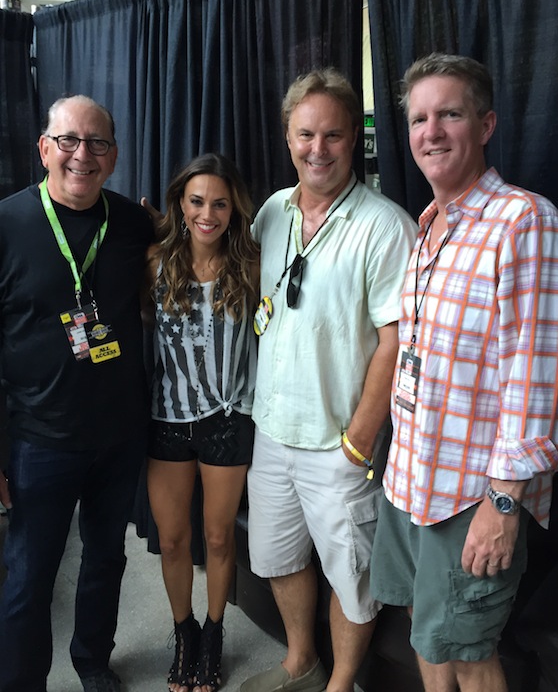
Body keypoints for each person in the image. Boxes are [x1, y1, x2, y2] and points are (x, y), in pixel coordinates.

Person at [370, 53, 558, 692]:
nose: (432, 131)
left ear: (484, 125)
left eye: (449, 114)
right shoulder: (429, 227)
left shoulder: (525, 223)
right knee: (424, 628)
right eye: (420, 117)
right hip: (410, 476)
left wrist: (504, 502)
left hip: (470, 494)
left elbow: (536, 372)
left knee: (470, 648)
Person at [240, 69, 417, 692]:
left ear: (354, 140)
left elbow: (397, 338)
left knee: (353, 576)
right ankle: (301, 662)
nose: (318, 148)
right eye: (305, 134)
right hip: (272, 432)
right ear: (288, 138)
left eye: (333, 134)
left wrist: (362, 436)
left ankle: (341, 684)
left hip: (341, 441)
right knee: (277, 558)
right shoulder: (270, 213)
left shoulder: (385, 226)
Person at [0, 96, 153, 692]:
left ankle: (93, 660)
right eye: (68, 140)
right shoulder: (7, 225)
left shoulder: (134, 224)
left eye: (97, 143)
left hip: (118, 433)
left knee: (105, 558)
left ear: (113, 157)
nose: (81, 155)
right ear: (44, 148)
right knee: (28, 577)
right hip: (39, 439)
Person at [145, 154, 259, 692]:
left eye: (219, 203)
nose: (208, 214)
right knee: (172, 541)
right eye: (196, 201)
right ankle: (184, 632)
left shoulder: (251, 264)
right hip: (167, 418)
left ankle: (213, 634)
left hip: (228, 418)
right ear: (180, 205)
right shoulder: (155, 262)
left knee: (217, 538)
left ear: (233, 208)